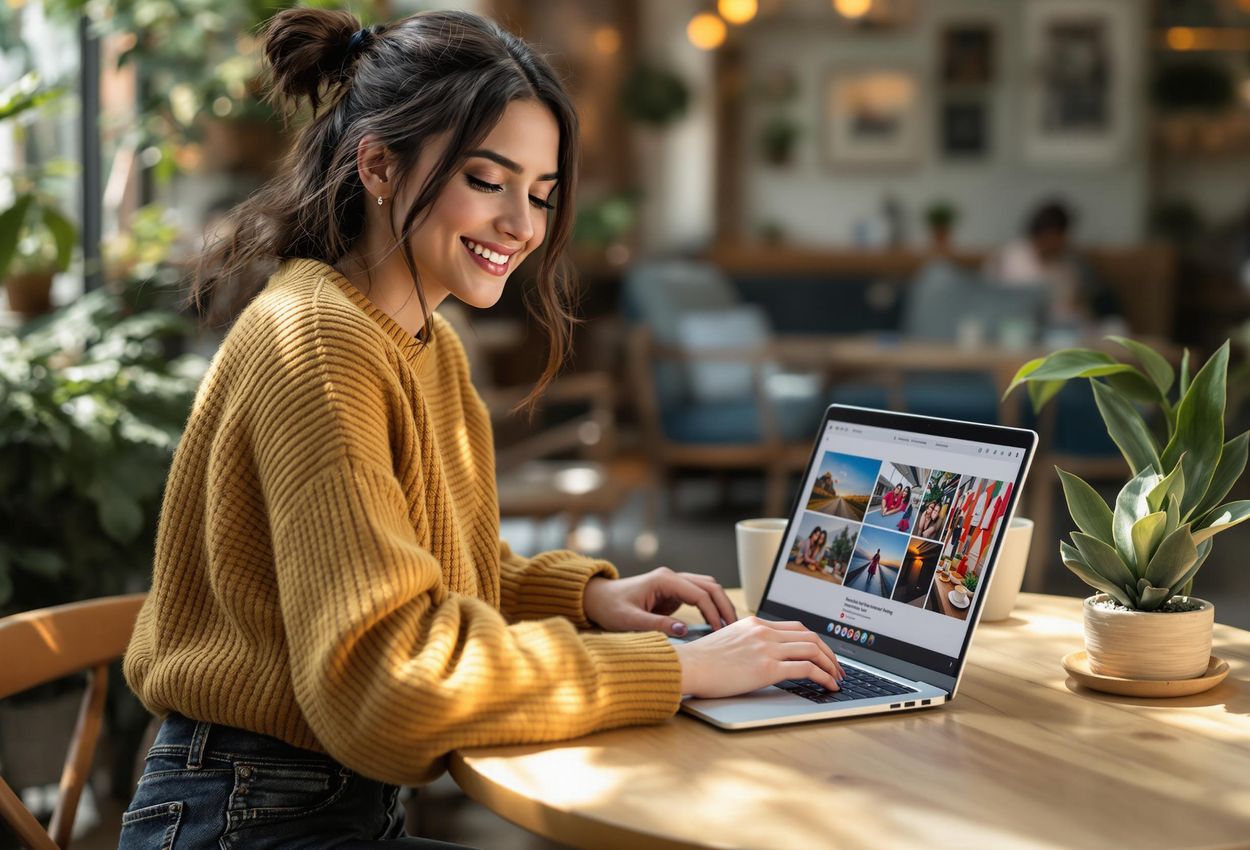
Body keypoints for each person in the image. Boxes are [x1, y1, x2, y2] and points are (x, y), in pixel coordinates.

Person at [118, 10, 845, 848]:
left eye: (540, 193)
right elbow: (390, 683)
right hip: (246, 817)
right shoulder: (320, 345)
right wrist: (679, 668)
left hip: (325, 804)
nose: (523, 226)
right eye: (489, 181)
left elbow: (431, 574)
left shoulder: (425, 339)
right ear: (380, 165)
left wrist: (587, 598)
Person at [983, 199, 1115, 328]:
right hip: (1016, 327)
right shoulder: (1010, 256)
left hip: (1060, 330)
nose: (1060, 242)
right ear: (1044, 233)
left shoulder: (1065, 265)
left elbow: (1075, 305)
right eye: (1056, 236)